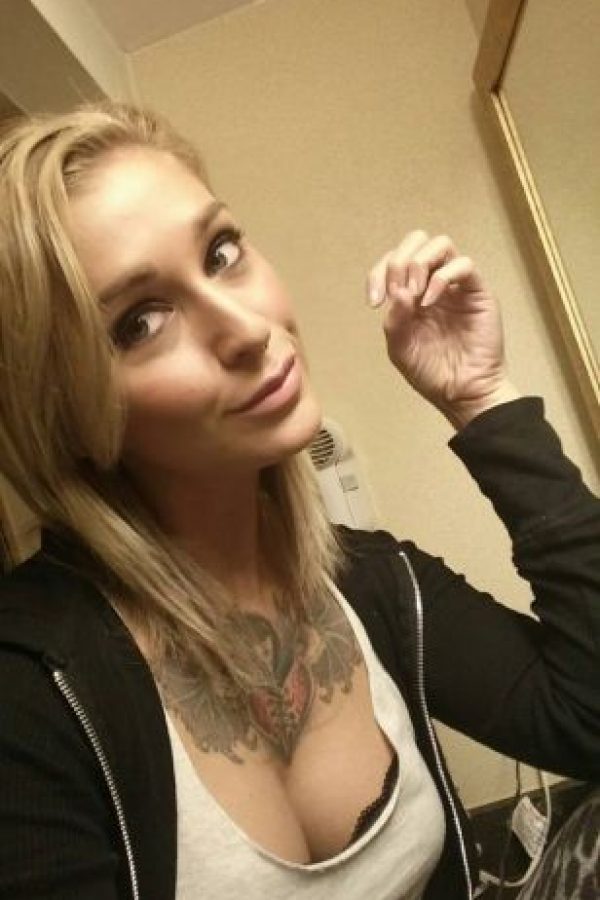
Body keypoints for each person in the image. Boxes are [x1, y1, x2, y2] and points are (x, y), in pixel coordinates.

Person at [0, 102, 598, 900]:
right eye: (139, 322)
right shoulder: (31, 697)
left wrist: (483, 400)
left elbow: (588, 714)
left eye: (221, 253)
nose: (246, 328)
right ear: (63, 413)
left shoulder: (374, 583)